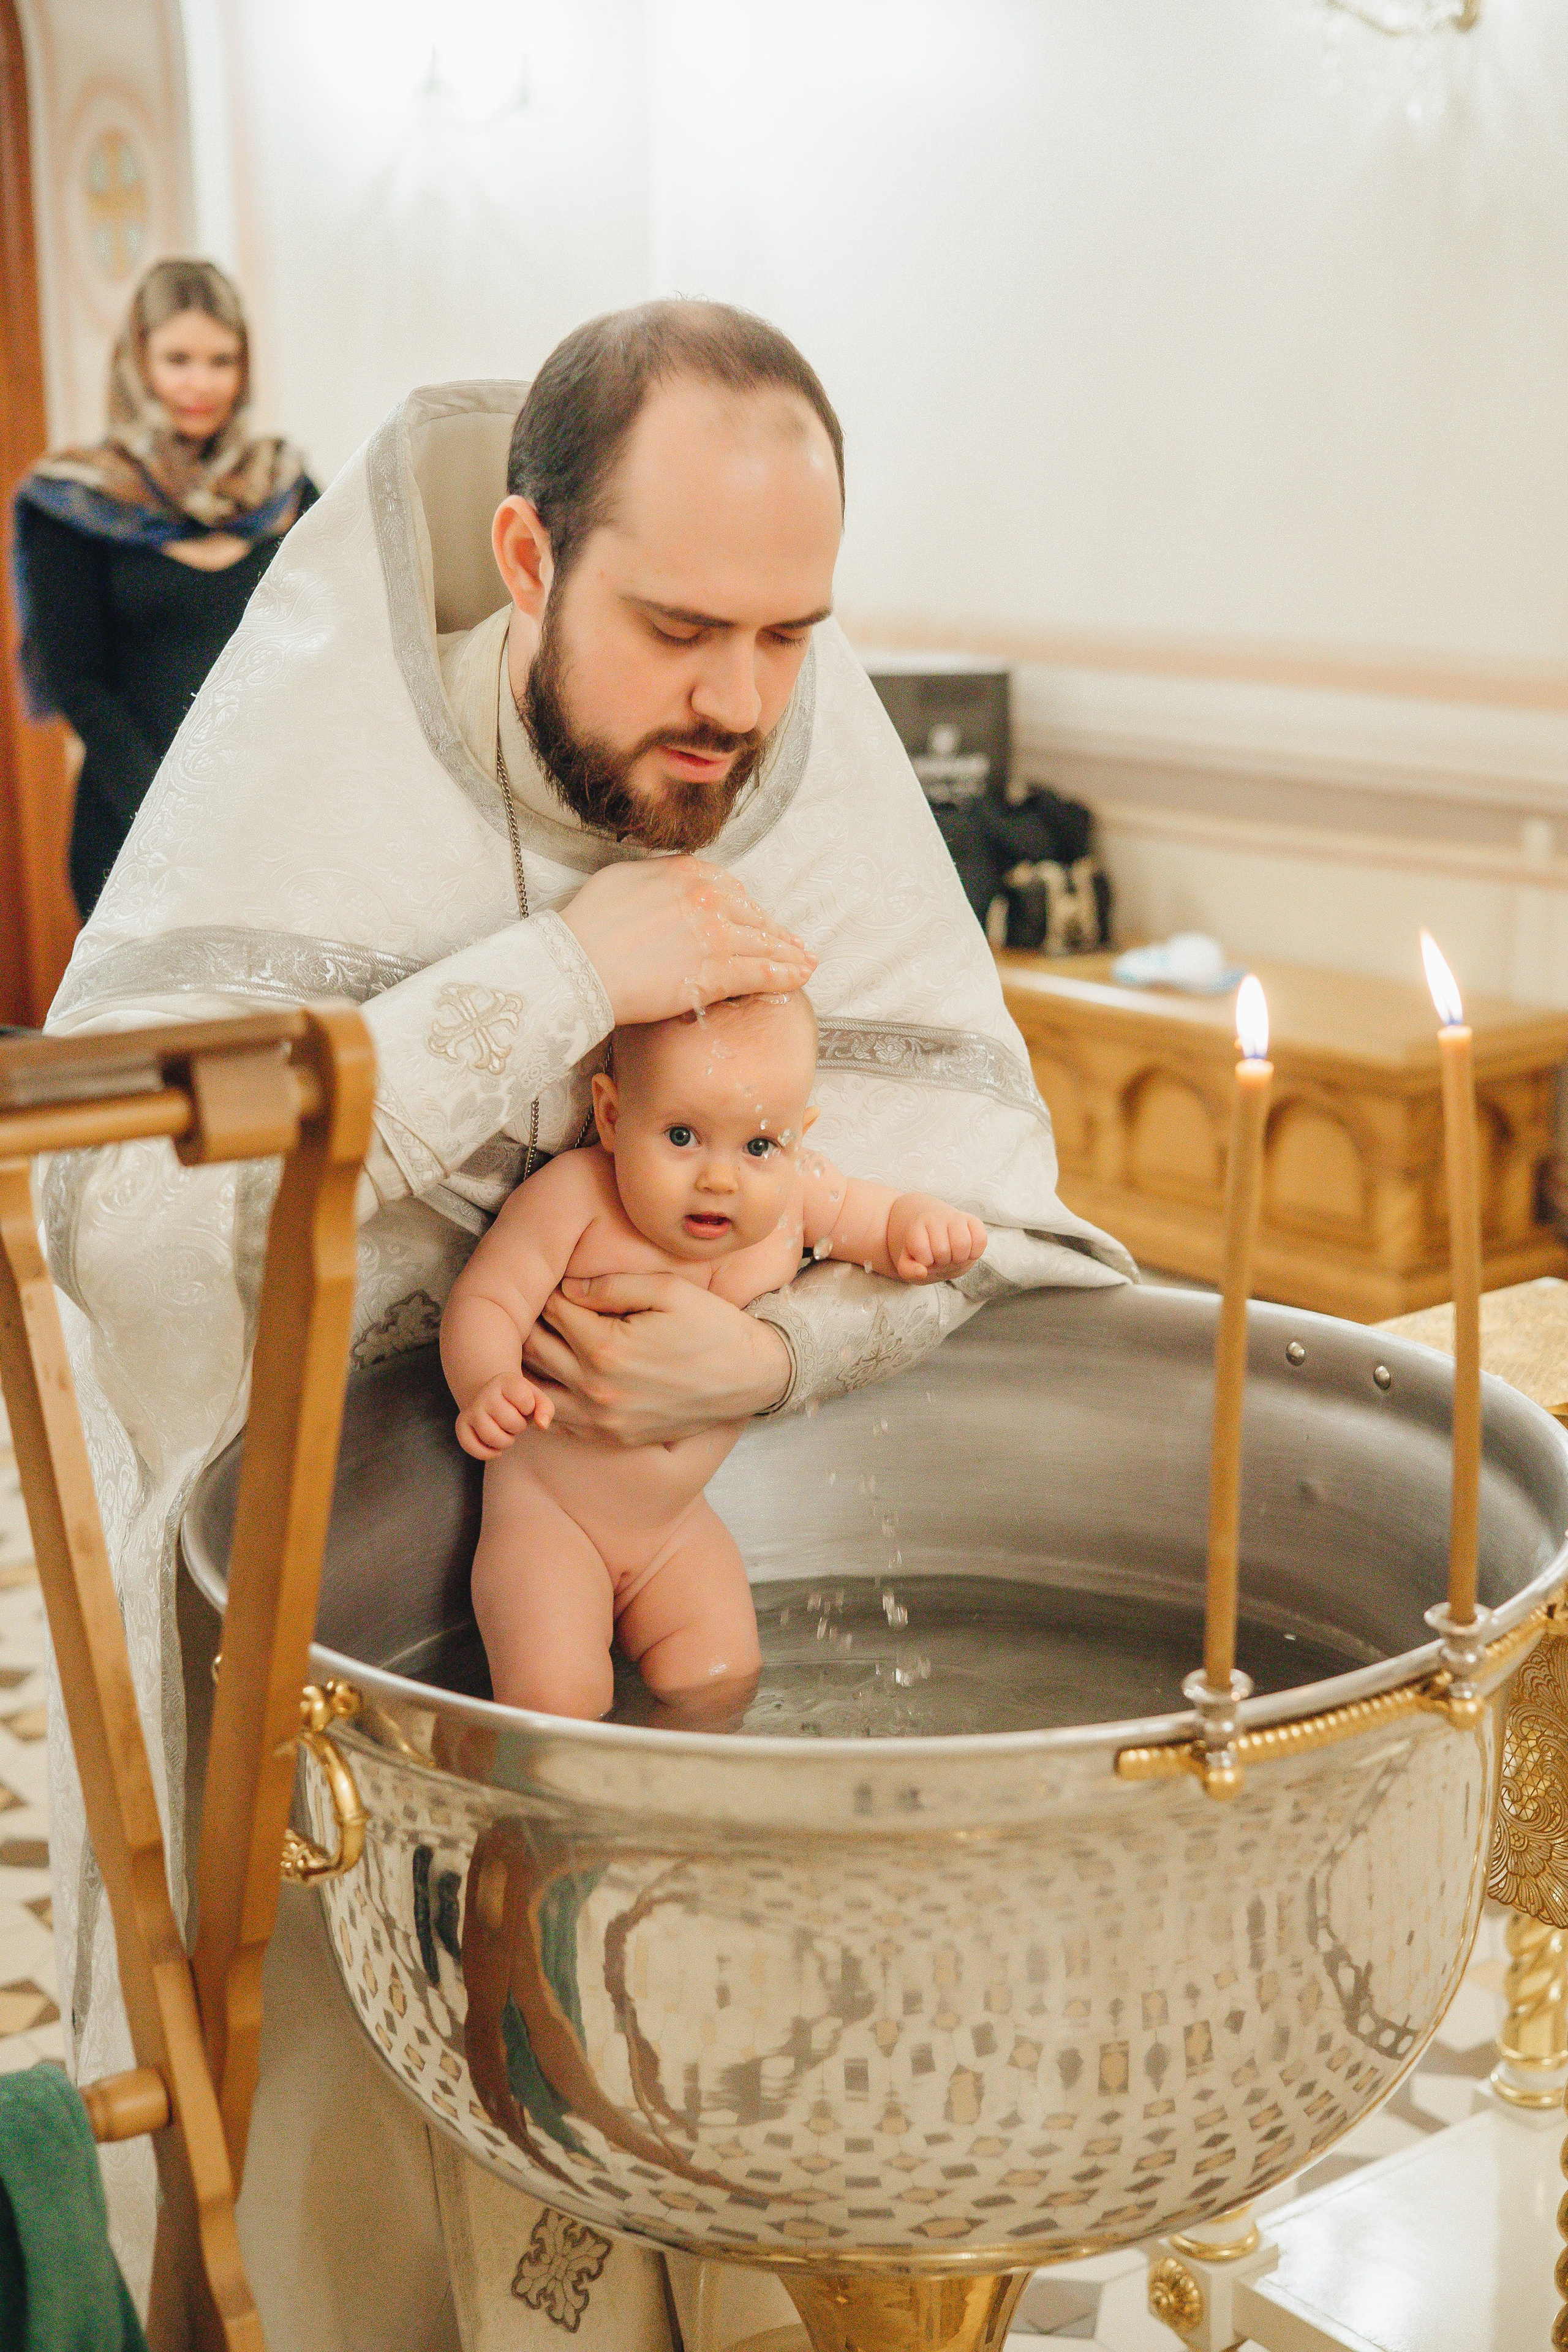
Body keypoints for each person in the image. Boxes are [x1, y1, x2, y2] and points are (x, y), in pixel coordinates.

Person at [41, 302, 1134, 2350]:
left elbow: (981, 1196)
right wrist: (549, 982)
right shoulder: (323, 770)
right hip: (320, 1663)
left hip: (690, 1635)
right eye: (683, 626)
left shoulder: (788, 750)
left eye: (795, 635)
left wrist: (776, 1354)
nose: (742, 701)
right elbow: (124, 1238)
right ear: (531, 559)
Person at [442, 989, 989, 1717]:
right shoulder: (574, 1199)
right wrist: (486, 1383)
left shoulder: (792, 1201)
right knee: (556, 1704)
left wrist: (923, 1230)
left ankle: (677, 1820)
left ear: (797, 1138)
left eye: (759, 1145)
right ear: (611, 1116)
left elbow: (879, 1220)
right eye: (680, 1137)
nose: (720, 1179)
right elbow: (486, 1301)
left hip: (677, 1529)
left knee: (721, 1680)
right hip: (549, 1524)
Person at [13, 257, 316, 916]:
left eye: (222, 360)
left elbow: (325, 646)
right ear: (137, 361)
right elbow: (79, 685)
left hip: (274, 824)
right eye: (178, 359)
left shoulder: (286, 488)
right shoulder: (76, 501)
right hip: (134, 831)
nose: (201, 384)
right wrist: (175, 819)